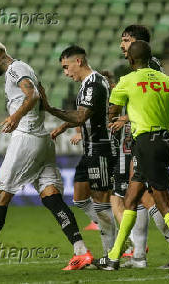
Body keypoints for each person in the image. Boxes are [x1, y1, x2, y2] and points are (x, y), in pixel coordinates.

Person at [0, 39, 92, 271]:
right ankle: (81, 252)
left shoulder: (15, 69)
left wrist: (16, 117)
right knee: (51, 196)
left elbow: (33, 95)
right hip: (41, 140)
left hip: (26, 137)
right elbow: (41, 94)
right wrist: (41, 113)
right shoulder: (24, 69)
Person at [93, 40, 169, 272]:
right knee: (131, 199)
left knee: (163, 202)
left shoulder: (126, 81)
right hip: (163, 141)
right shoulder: (167, 81)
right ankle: (113, 257)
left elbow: (112, 112)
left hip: (145, 142)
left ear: (131, 60)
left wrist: (125, 110)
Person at [109, 25, 169, 269]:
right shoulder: (151, 67)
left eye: (126, 40)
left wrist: (127, 118)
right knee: (136, 196)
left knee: (150, 197)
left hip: (147, 139)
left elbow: (164, 107)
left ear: (138, 44)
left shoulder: (148, 69)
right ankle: (139, 256)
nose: (122, 45)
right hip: (141, 139)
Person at [39, 45, 116, 256]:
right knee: (80, 199)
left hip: (101, 147)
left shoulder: (93, 84)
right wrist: (64, 126)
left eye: (66, 67)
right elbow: (85, 115)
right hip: (90, 147)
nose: (65, 73)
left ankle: (114, 252)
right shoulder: (87, 84)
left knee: (101, 203)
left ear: (78, 61)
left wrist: (51, 109)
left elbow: (81, 117)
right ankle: (115, 240)